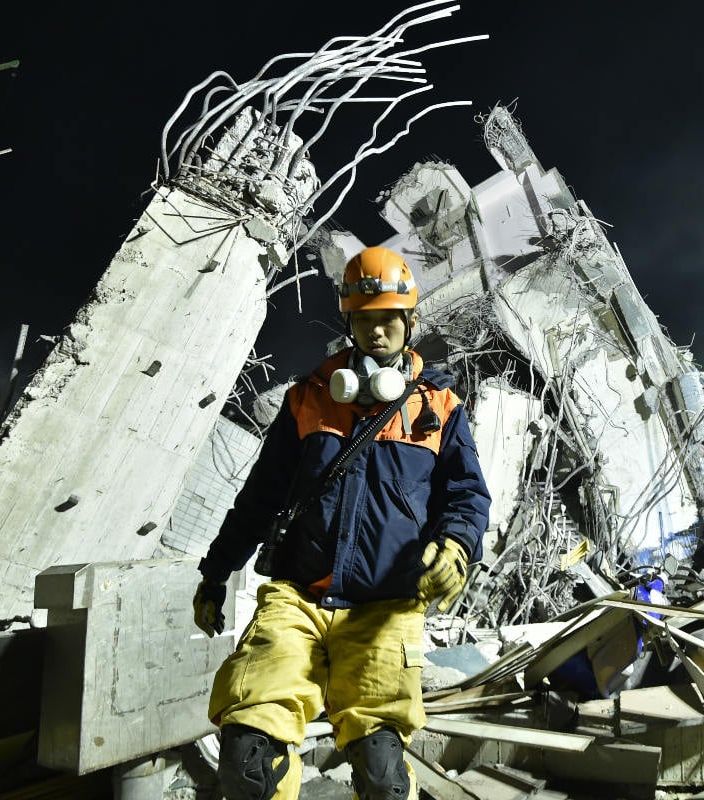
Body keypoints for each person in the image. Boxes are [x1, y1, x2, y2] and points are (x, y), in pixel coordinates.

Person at [192, 246, 491, 800]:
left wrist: (456, 545)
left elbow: (468, 494)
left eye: (387, 319)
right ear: (350, 324)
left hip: (385, 609)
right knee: (247, 761)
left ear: (409, 323)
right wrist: (215, 572)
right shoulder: (308, 399)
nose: (376, 332)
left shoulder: (441, 407)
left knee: (381, 779)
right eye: (364, 320)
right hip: (299, 599)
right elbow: (259, 498)